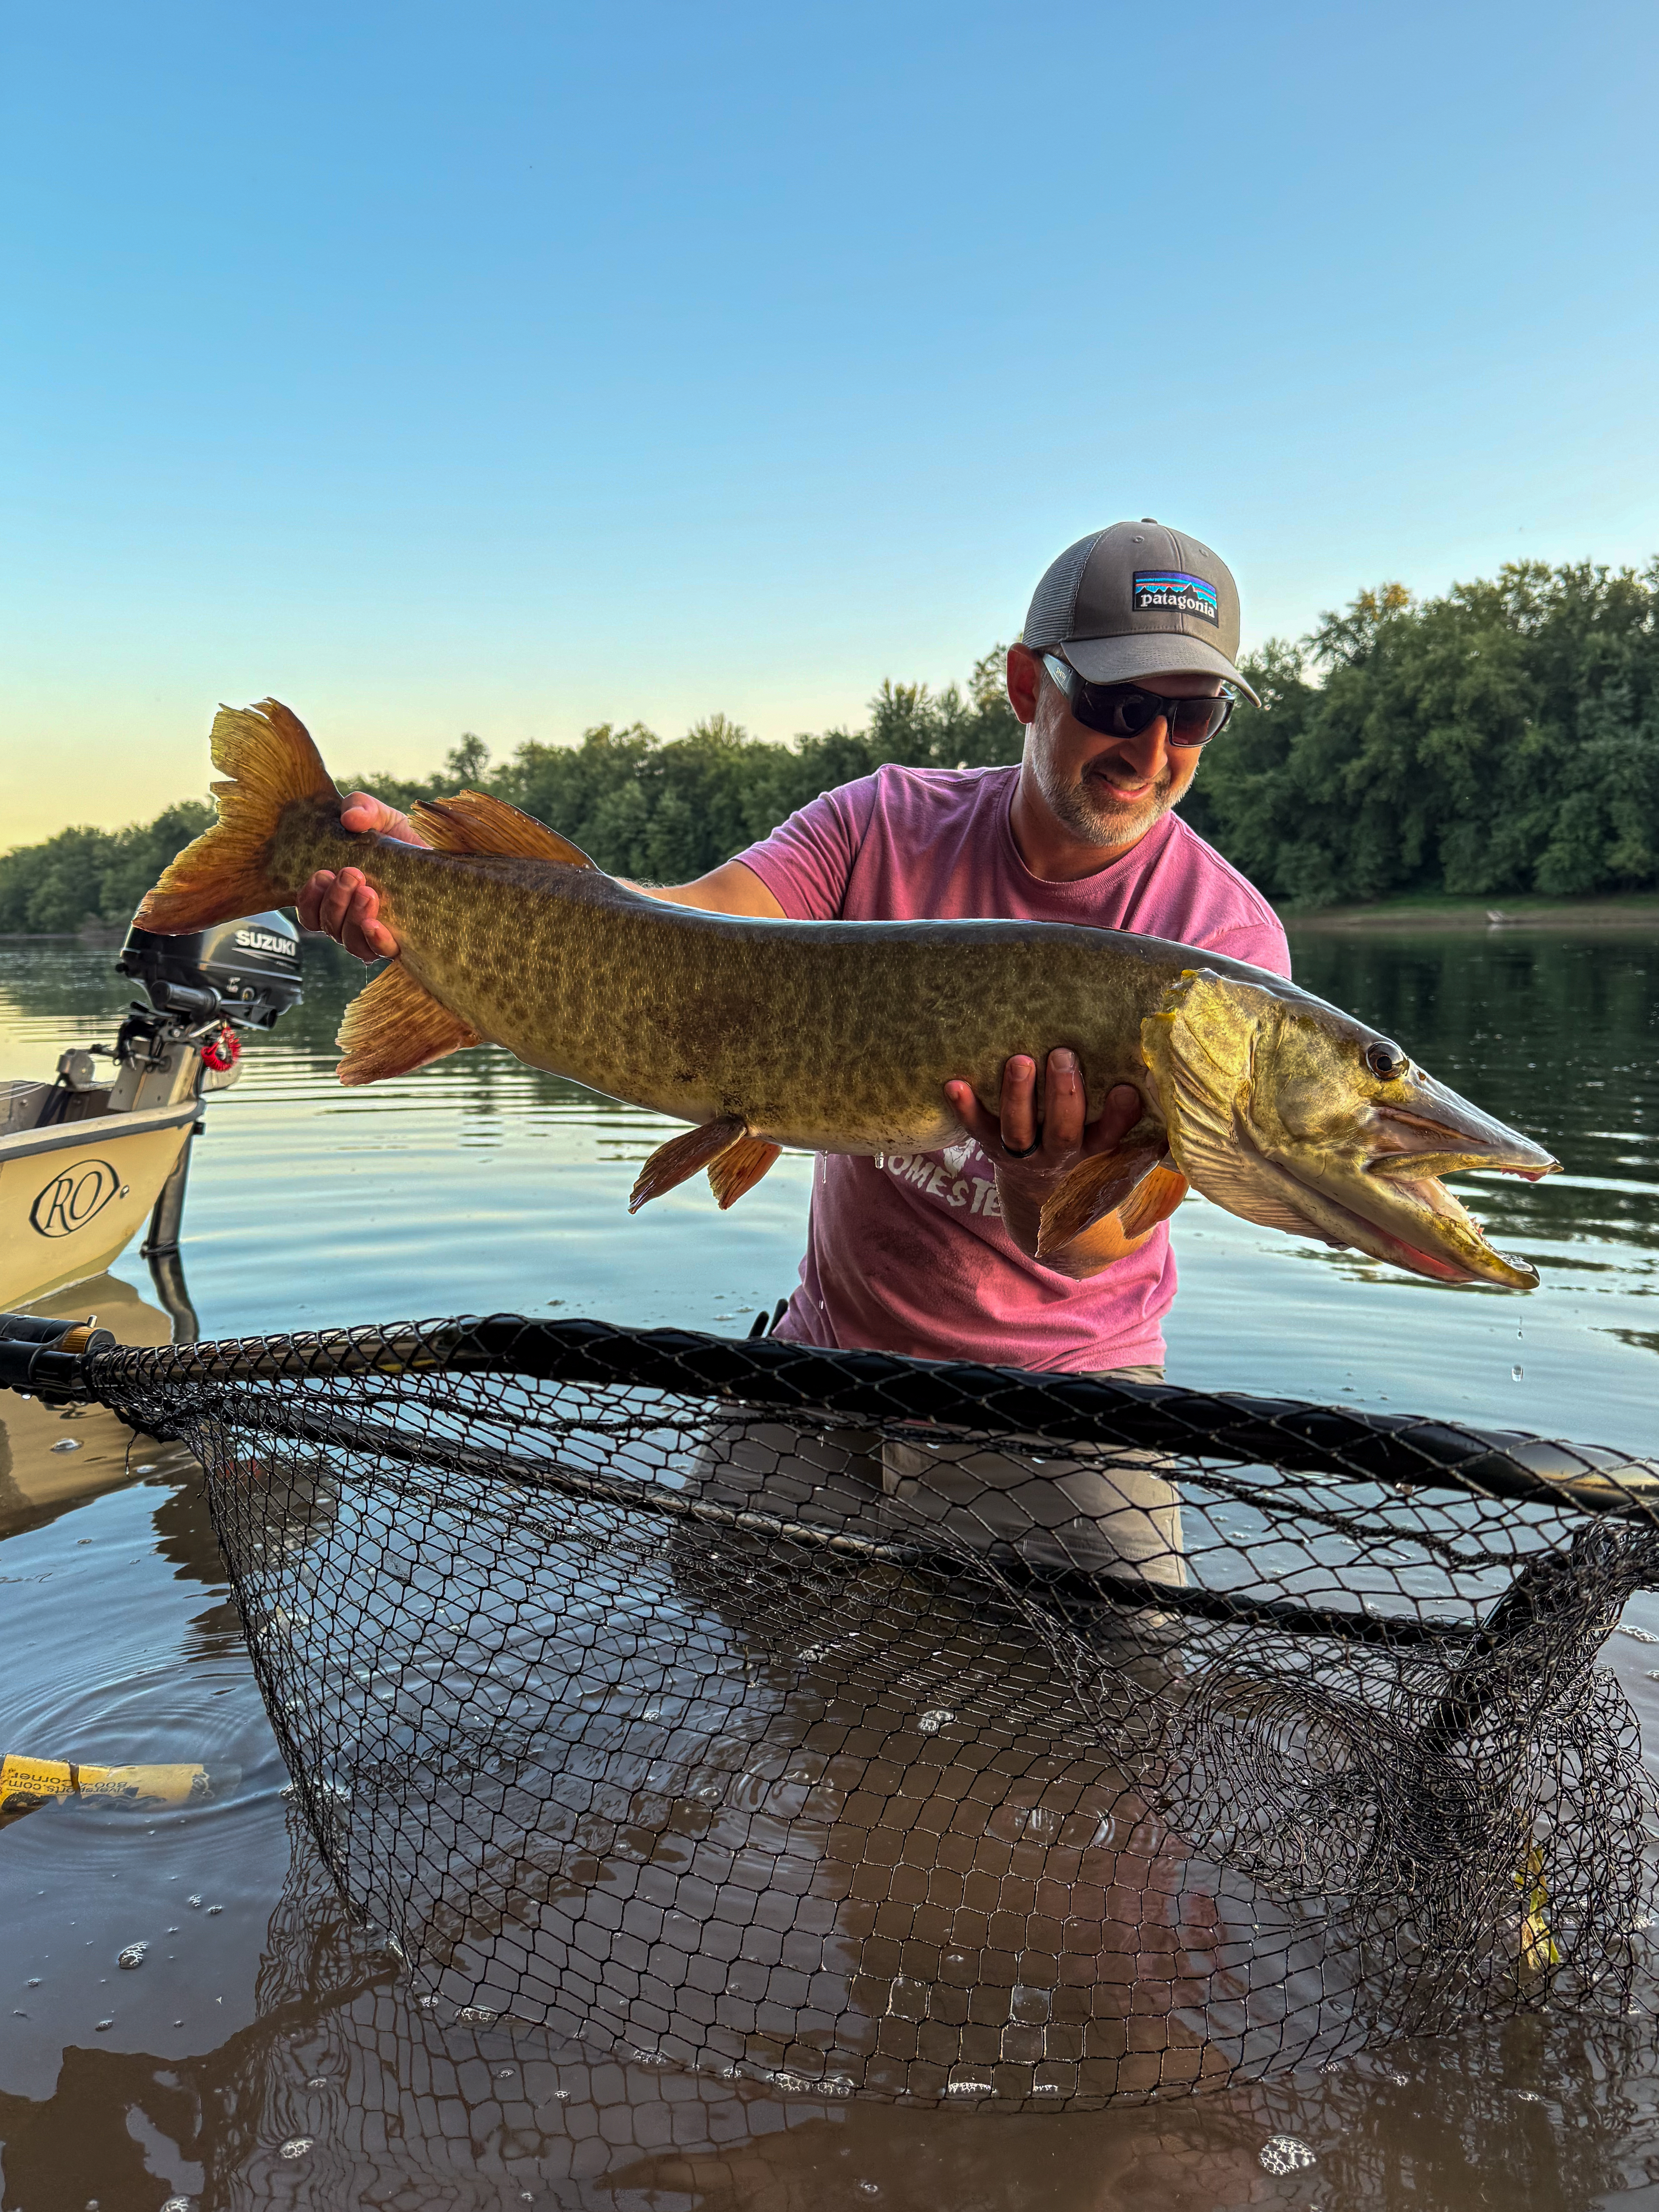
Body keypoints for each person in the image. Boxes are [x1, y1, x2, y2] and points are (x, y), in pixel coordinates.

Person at [299, 522, 1289, 1572]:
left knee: (1118, 1710)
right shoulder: (880, 820)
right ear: (1023, 685)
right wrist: (431, 884)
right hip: (829, 1366)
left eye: (1192, 714)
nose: (1151, 748)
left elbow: (1099, 1246)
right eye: (1119, 703)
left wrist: (1048, 1180)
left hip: (1066, 1391)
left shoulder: (1220, 955)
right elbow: (686, 927)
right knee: (724, 1618)